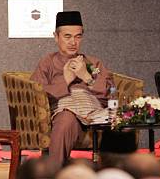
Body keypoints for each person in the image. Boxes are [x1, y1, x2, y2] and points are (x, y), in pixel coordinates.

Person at [31, 11, 112, 167]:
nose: (73, 42)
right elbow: (36, 93)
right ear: (56, 36)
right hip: (66, 114)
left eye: (78, 36)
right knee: (66, 120)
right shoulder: (47, 63)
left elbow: (109, 95)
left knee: (119, 122)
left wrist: (86, 77)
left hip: (94, 114)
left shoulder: (94, 62)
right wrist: (66, 79)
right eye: (67, 37)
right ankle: (55, 175)